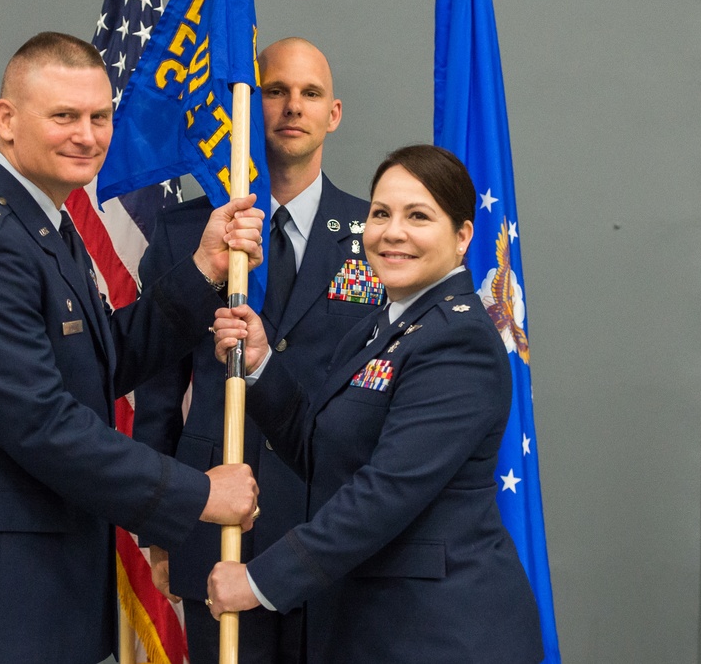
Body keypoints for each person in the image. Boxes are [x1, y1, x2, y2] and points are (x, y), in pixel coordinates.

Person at [0, 32, 263, 664]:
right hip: (1, 603)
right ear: (6, 120)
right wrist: (198, 494)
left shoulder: (44, 222)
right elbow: (43, 423)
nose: (88, 135)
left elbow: (96, 367)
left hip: (45, 586)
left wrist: (204, 268)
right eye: (64, 116)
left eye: (100, 117)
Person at [207, 145, 545, 663]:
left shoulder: (459, 342)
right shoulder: (382, 326)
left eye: (418, 216)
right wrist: (259, 367)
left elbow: (385, 491)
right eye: (381, 213)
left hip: (440, 633)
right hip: (374, 624)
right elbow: (328, 456)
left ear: (462, 237)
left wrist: (259, 581)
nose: (392, 232)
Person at [132, 37, 380, 663]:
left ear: (335, 113)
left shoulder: (378, 234)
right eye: (275, 91)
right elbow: (160, 389)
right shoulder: (189, 231)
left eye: (310, 93)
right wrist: (160, 526)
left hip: (332, 523)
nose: (292, 107)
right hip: (216, 526)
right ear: (246, 107)